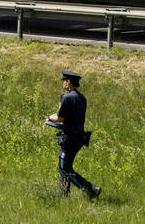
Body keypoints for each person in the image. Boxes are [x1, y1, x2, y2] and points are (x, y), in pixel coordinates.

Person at [47, 70, 100, 200]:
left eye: (64, 80)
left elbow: (60, 117)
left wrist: (49, 117)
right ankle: (63, 194)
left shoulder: (67, 97)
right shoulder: (82, 98)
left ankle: (91, 189)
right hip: (79, 138)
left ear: (68, 82)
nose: (63, 83)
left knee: (65, 168)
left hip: (69, 138)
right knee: (63, 167)